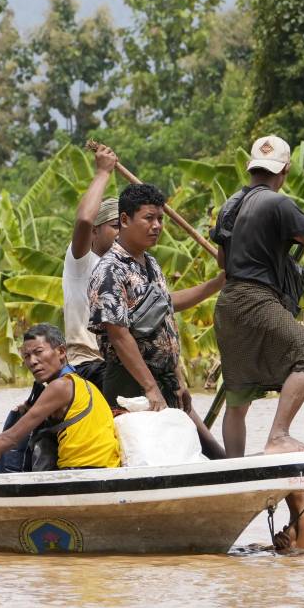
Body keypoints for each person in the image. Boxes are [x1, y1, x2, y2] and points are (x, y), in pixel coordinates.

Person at [212, 135, 304, 456]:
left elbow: (222, 261)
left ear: (252, 168)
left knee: (238, 395)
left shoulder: (229, 205)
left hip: (228, 303)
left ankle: (234, 468)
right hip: (257, 299)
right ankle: (279, 435)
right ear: (284, 171)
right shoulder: (277, 203)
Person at [86, 182, 223, 455]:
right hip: (130, 382)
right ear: (125, 220)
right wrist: (150, 388)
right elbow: (119, 334)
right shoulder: (110, 270)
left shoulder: (151, 264)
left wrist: (179, 381)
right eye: (149, 218)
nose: (157, 225)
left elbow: (165, 315)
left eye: (160, 218)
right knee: (142, 457)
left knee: (178, 455)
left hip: (164, 379)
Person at [0, 324, 119, 487]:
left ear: (60, 351)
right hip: (102, 471)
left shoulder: (61, 386)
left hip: (83, 475)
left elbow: (9, 439)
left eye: (38, 352)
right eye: (26, 356)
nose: (32, 362)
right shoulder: (81, 383)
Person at [62, 144, 121, 384]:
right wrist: (103, 173)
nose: (122, 233)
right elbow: (85, 218)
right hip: (87, 364)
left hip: (119, 363)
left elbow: (167, 302)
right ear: (95, 232)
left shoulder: (127, 266)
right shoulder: (82, 262)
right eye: (116, 226)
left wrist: (219, 281)